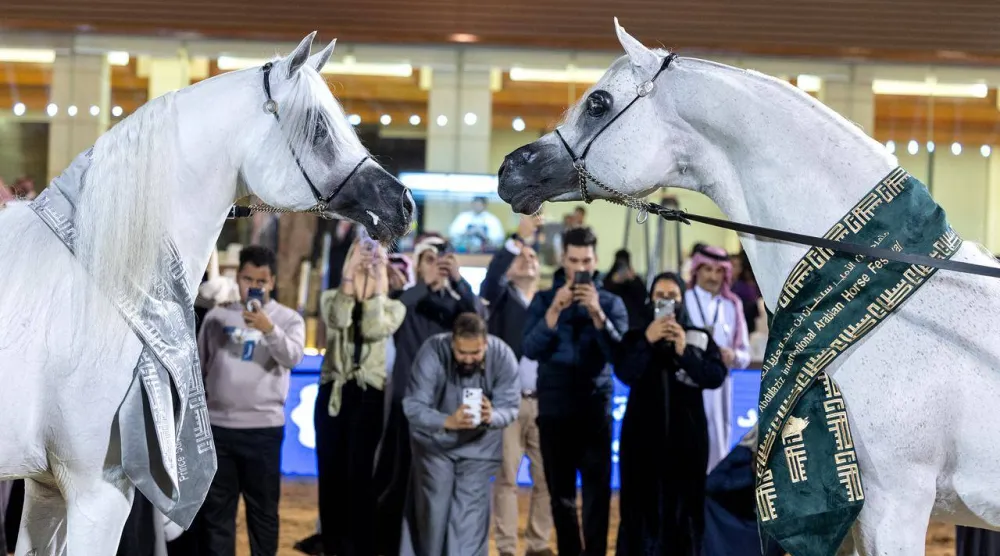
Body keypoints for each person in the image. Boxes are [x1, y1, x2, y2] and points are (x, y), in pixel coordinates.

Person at [372, 236, 483, 556]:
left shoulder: (454, 307)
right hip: (405, 408)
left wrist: (459, 282)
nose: (436, 264)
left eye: (441, 259)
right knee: (397, 479)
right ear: (418, 265)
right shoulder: (404, 299)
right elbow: (394, 311)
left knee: (435, 486)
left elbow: (476, 320)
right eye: (429, 259)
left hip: (441, 410)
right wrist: (426, 284)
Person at [522, 226, 629, 556]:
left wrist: (597, 314)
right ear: (563, 260)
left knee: (598, 498)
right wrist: (555, 310)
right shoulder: (543, 300)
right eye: (573, 260)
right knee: (561, 498)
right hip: (554, 412)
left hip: (595, 413)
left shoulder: (611, 303)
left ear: (596, 261)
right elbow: (529, 347)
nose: (580, 268)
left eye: (586, 260)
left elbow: (620, 356)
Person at [197, 245, 306, 556]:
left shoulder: (287, 319)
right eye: (247, 279)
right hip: (219, 429)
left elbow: (293, 357)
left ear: (271, 282)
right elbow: (202, 366)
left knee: (263, 514)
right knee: (217, 515)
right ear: (238, 278)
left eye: (261, 281)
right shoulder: (217, 316)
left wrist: (268, 329)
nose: (253, 287)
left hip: (263, 431)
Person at [613, 272, 728, 555]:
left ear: (682, 300)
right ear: (650, 300)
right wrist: (647, 341)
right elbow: (625, 372)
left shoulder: (698, 337)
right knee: (639, 513)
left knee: (685, 515)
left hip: (686, 448)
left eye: (672, 297)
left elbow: (715, 377)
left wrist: (684, 352)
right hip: (641, 447)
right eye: (660, 296)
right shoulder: (635, 336)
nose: (666, 302)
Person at [400, 313, 520, 556]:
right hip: (434, 447)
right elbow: (413, 406)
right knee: (433, 518)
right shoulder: (432, 350)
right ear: (452, 342)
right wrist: (447, 421)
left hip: (480, 450)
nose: (468, 359)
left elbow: (511, 407)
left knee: (468, 522)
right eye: (461, 353)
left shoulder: (503, 355)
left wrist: (492, 416)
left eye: (475, 353)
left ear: (485, 343)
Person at [315, 238, 406, 556]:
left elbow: (371, 327)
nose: (369, 262)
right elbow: (339, 319)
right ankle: (333, 545)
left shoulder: (394, 307)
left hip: (369, 396)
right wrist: (350, 276)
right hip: (333, 393)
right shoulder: (331, 297)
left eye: (376, 258)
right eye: (362, 256)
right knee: (331, 473)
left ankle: (360, 547)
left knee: (362, 475)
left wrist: (379, 286)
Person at [480, 216, 554, 556]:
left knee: (547, 481)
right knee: (507, 479)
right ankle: (507, 547)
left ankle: (538, 545)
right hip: (508, 403)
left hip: (545, 405)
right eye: (521, 256)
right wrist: (518, 239)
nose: (529, 258)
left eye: (533, 257)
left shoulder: (549, 305)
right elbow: (492, 279)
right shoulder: (499, 298)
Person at [685, 244, 750, 473]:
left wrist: (733, 356)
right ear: (697, 270)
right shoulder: (683, 299)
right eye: (707, 270)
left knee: (716, 448)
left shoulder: (732, 305)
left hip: (720, 389)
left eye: (718, 271)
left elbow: (745, 355)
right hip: (686, 387)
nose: (713, 276)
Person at [603, 249, 649, 331]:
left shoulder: (634, 277)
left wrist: (633, 280)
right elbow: (604, 296)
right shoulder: (609, 278)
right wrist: (613, 282)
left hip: (633, 321)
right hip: (614, 320)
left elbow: (643, 297)